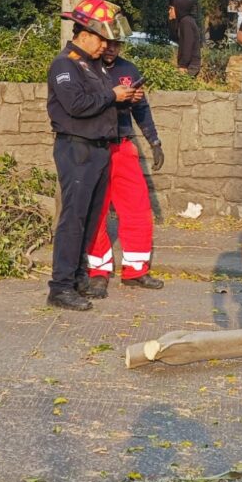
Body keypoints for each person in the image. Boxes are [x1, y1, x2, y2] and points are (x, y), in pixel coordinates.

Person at [46, 0, 134, 311]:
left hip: (97, 149)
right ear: (85, 33)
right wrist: (113, 94)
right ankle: (60, 286)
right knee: (73, 219)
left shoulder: (90, 64)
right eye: (102, 39)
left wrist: (123, 99)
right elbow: (76, 104)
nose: (106, 46)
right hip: (76, 148)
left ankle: (78, 276)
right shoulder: (65, 64)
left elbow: (98, 100)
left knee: (91, 218)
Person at [83, 29, 167, 296]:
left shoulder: (128, 69)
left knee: (138, 207)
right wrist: (117, 98)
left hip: (123, 145)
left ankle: (136, 269)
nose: (111, 48)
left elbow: (142, 110)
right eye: (107, 42)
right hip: (95, 146)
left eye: (116, 44)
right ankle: (98, 271)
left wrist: (154, 141)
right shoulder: (85, 68)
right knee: (96, 211)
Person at [168, 0, 201, 76]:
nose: (169, 11)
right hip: (189, 65)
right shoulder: (184, 21)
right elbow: (174, 37)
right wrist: (171, 21)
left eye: (171, 8)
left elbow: (188, 44)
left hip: (190, 66)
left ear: (179, 8)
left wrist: (183, 65)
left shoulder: (186, 22)